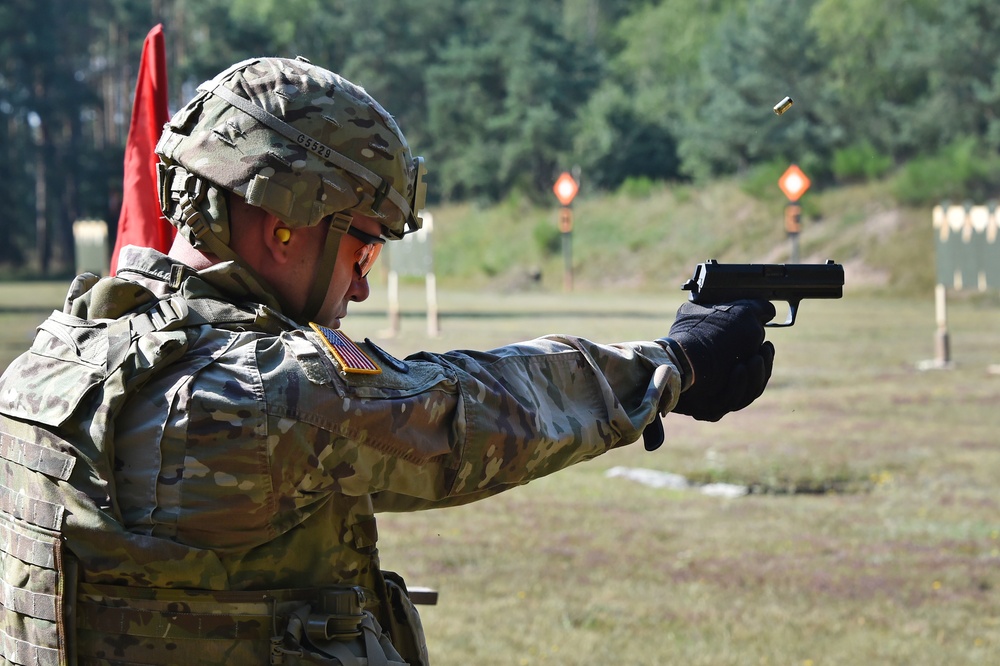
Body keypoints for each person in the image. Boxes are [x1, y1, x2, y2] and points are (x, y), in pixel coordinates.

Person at [0, 57, 775, 666]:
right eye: (364, 242)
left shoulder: (51, 357)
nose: (364, 284)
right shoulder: (266, 394)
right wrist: (671, 366)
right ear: (282, 226)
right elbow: (474, 412)